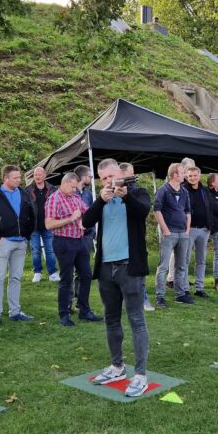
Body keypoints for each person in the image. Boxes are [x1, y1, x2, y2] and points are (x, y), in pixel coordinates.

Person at [81, 159, 152, 398]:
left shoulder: (137, 192)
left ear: (120, 174)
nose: (109, 182)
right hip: (106, 268)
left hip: (130, 267)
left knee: (136, 321)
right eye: (104, 179)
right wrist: (101, 199)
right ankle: (117, 366)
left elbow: (143, 211)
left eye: (112, 176)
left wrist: (125, 195)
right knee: (111, 319)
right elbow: (85, 222)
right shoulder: (103, 198)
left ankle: (140, 374)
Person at [0, 165, 36, 327]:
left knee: (16, 278)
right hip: (2, 243)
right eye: (15, 178)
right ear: (5, 178)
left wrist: (26, 235)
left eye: (19, 177)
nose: (19, 180)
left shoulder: (24, 194)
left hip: (20, 242)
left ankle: (15, 311)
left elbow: (32, 216)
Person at [45, 173, 102, 326]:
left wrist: (85, 219)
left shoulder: (76, 197)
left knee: (86, 275)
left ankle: (84, 310)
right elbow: (49, 224)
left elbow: (87, 211)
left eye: (76, 187)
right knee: (66, 278)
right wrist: (70, 219)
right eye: (72, 187)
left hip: (79, 240)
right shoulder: (54, 199)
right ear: (64, 183)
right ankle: (64, 314)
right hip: (63, 242)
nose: (74, 190)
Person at [153, 163, 192, 307]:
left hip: (183, 232)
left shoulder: (184, 191)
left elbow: (188, 211)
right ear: (175, 175)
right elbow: (157, 210)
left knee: (181, 265)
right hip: (169, 232)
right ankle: (160, 297)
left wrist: (187, 230)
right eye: (183, 173)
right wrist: (165, 229)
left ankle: (180, 294)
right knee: (163, 266)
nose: (185, 175)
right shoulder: (163, 190)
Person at [121, 163, 153, 311]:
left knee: (139, 270)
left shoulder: (140, 191)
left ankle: (143, 299)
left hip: (136, 237)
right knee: (120, 270)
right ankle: (123, 300)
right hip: (119, 238)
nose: (132, 176)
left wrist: (126, 195)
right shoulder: (111, 193)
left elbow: (143, 210)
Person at [25, 167, 59, 284]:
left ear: (45, 176)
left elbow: (57, 206)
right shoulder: (28, 190)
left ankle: (52, 273)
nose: (37, 177)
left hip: (48, 225)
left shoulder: (52, 189)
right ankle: (37, 273)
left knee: (50, 250)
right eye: (35, 175)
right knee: (35, 251)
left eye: (39, 175)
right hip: (33, 227)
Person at [183, 166, 211, 298]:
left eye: (195, 175)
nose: (192, 178)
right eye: (190, 176)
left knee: (201, 260)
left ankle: (199, 288)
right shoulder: (183, 190)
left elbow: (209, 208)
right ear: (186, 177)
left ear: (199, 176)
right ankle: (185, 288)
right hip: (189, 229)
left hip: (204, 230)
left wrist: (209, 224)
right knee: (185, 259)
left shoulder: (204, 191)